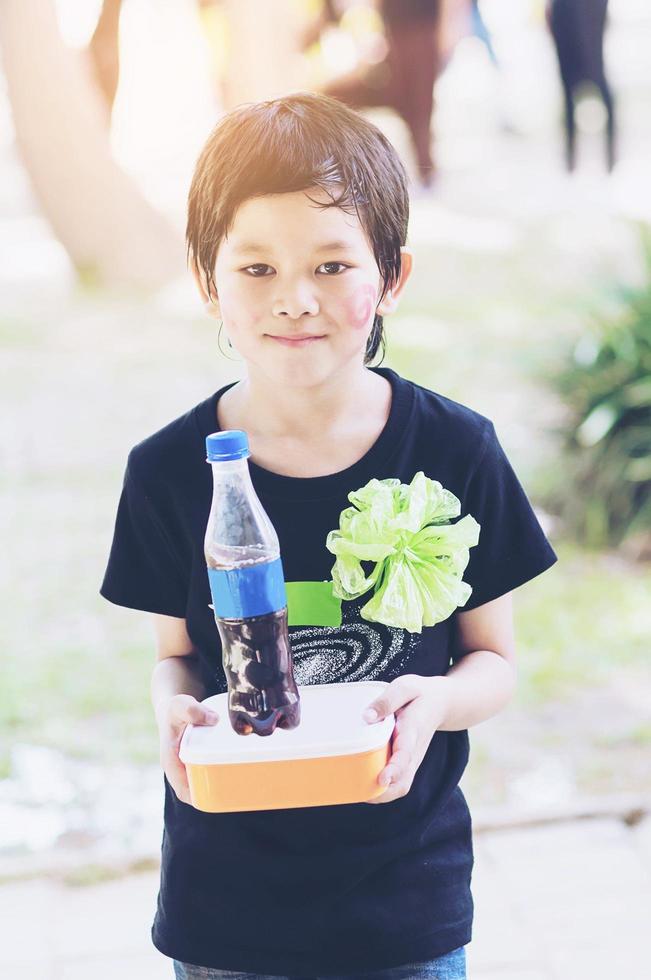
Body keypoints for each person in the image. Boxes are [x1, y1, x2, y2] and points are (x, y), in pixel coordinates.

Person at [100, 92, 558, 979]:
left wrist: (436, 703)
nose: (295, 300)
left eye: (333, 264)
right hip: (226, 903)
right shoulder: (165, 472)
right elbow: (177, 660)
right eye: (257, 269)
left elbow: (492, 663)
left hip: (401, 898)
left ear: (392, 277)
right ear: (206, 284)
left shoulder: (453, 448)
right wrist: (171, 709)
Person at [546, 0, 616, 172]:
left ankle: (609, 154)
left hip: (585, 9)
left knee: (595, 74)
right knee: (569, 82)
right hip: (566, 11)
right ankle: (571, 157)